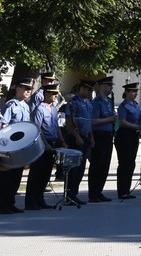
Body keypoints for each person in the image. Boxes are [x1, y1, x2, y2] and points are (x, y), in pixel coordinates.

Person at [25, 80, 62, 211]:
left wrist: (62, 141)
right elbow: (38, 129)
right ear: (46, 94)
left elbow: (56, 127)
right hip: (42, 145)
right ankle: (30, 201)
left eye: (56, 93)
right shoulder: (39, 109)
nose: (56, 96)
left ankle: (40, 199)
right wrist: (45, 144)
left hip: (52, 144)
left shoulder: (53, 109)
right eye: (53, 93)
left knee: (46, 174)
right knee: (37, 173)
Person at [0, 75, 34, 214]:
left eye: (29, 89)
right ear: (17, 89)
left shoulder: (26, 106)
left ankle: (11, 202)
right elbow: (4, 125)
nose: (28, 91)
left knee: (16, 176)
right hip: (10, 146)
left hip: (21, 146)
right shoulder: (10, 105)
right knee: (6, 177)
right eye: (25, 88)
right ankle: (3, 204)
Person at [62, 79, 94, 206]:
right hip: (75, 138)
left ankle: (74, 193)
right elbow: (69, 122)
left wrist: (91, 138)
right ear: (82, 89)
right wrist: (77, 136)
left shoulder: (88, 103)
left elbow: (89, 122)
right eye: (88, 90)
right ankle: (69, 194)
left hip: (85, 137)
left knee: (81, 168)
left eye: (90, 90)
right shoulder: (73, 102)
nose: (89, 92)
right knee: (73, 168)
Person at [87, 76, 117, 202]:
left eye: (111, 86)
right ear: (102, 86)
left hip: (108, 135)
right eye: (108, 85)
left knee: (105, 165)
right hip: (99, 135)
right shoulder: (96, 102)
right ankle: (93, 193)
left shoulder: (109, 102)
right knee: (97, 165)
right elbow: (92, 121)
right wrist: (109, 119)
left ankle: (99, 191)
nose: (111, 88)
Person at [114, 80, 141, 199]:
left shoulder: (136, 105)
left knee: (131, 163)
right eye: (132, 91)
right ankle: (122, 191)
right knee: (124, 163)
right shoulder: (124, 106)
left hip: (134, 136)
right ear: (126, 92)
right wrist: (136, 127)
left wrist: (140, 128)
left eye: (136, 91)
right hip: (124, 136)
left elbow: (139, 120)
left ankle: (127, 189)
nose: (135, 93)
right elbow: (122, 122)